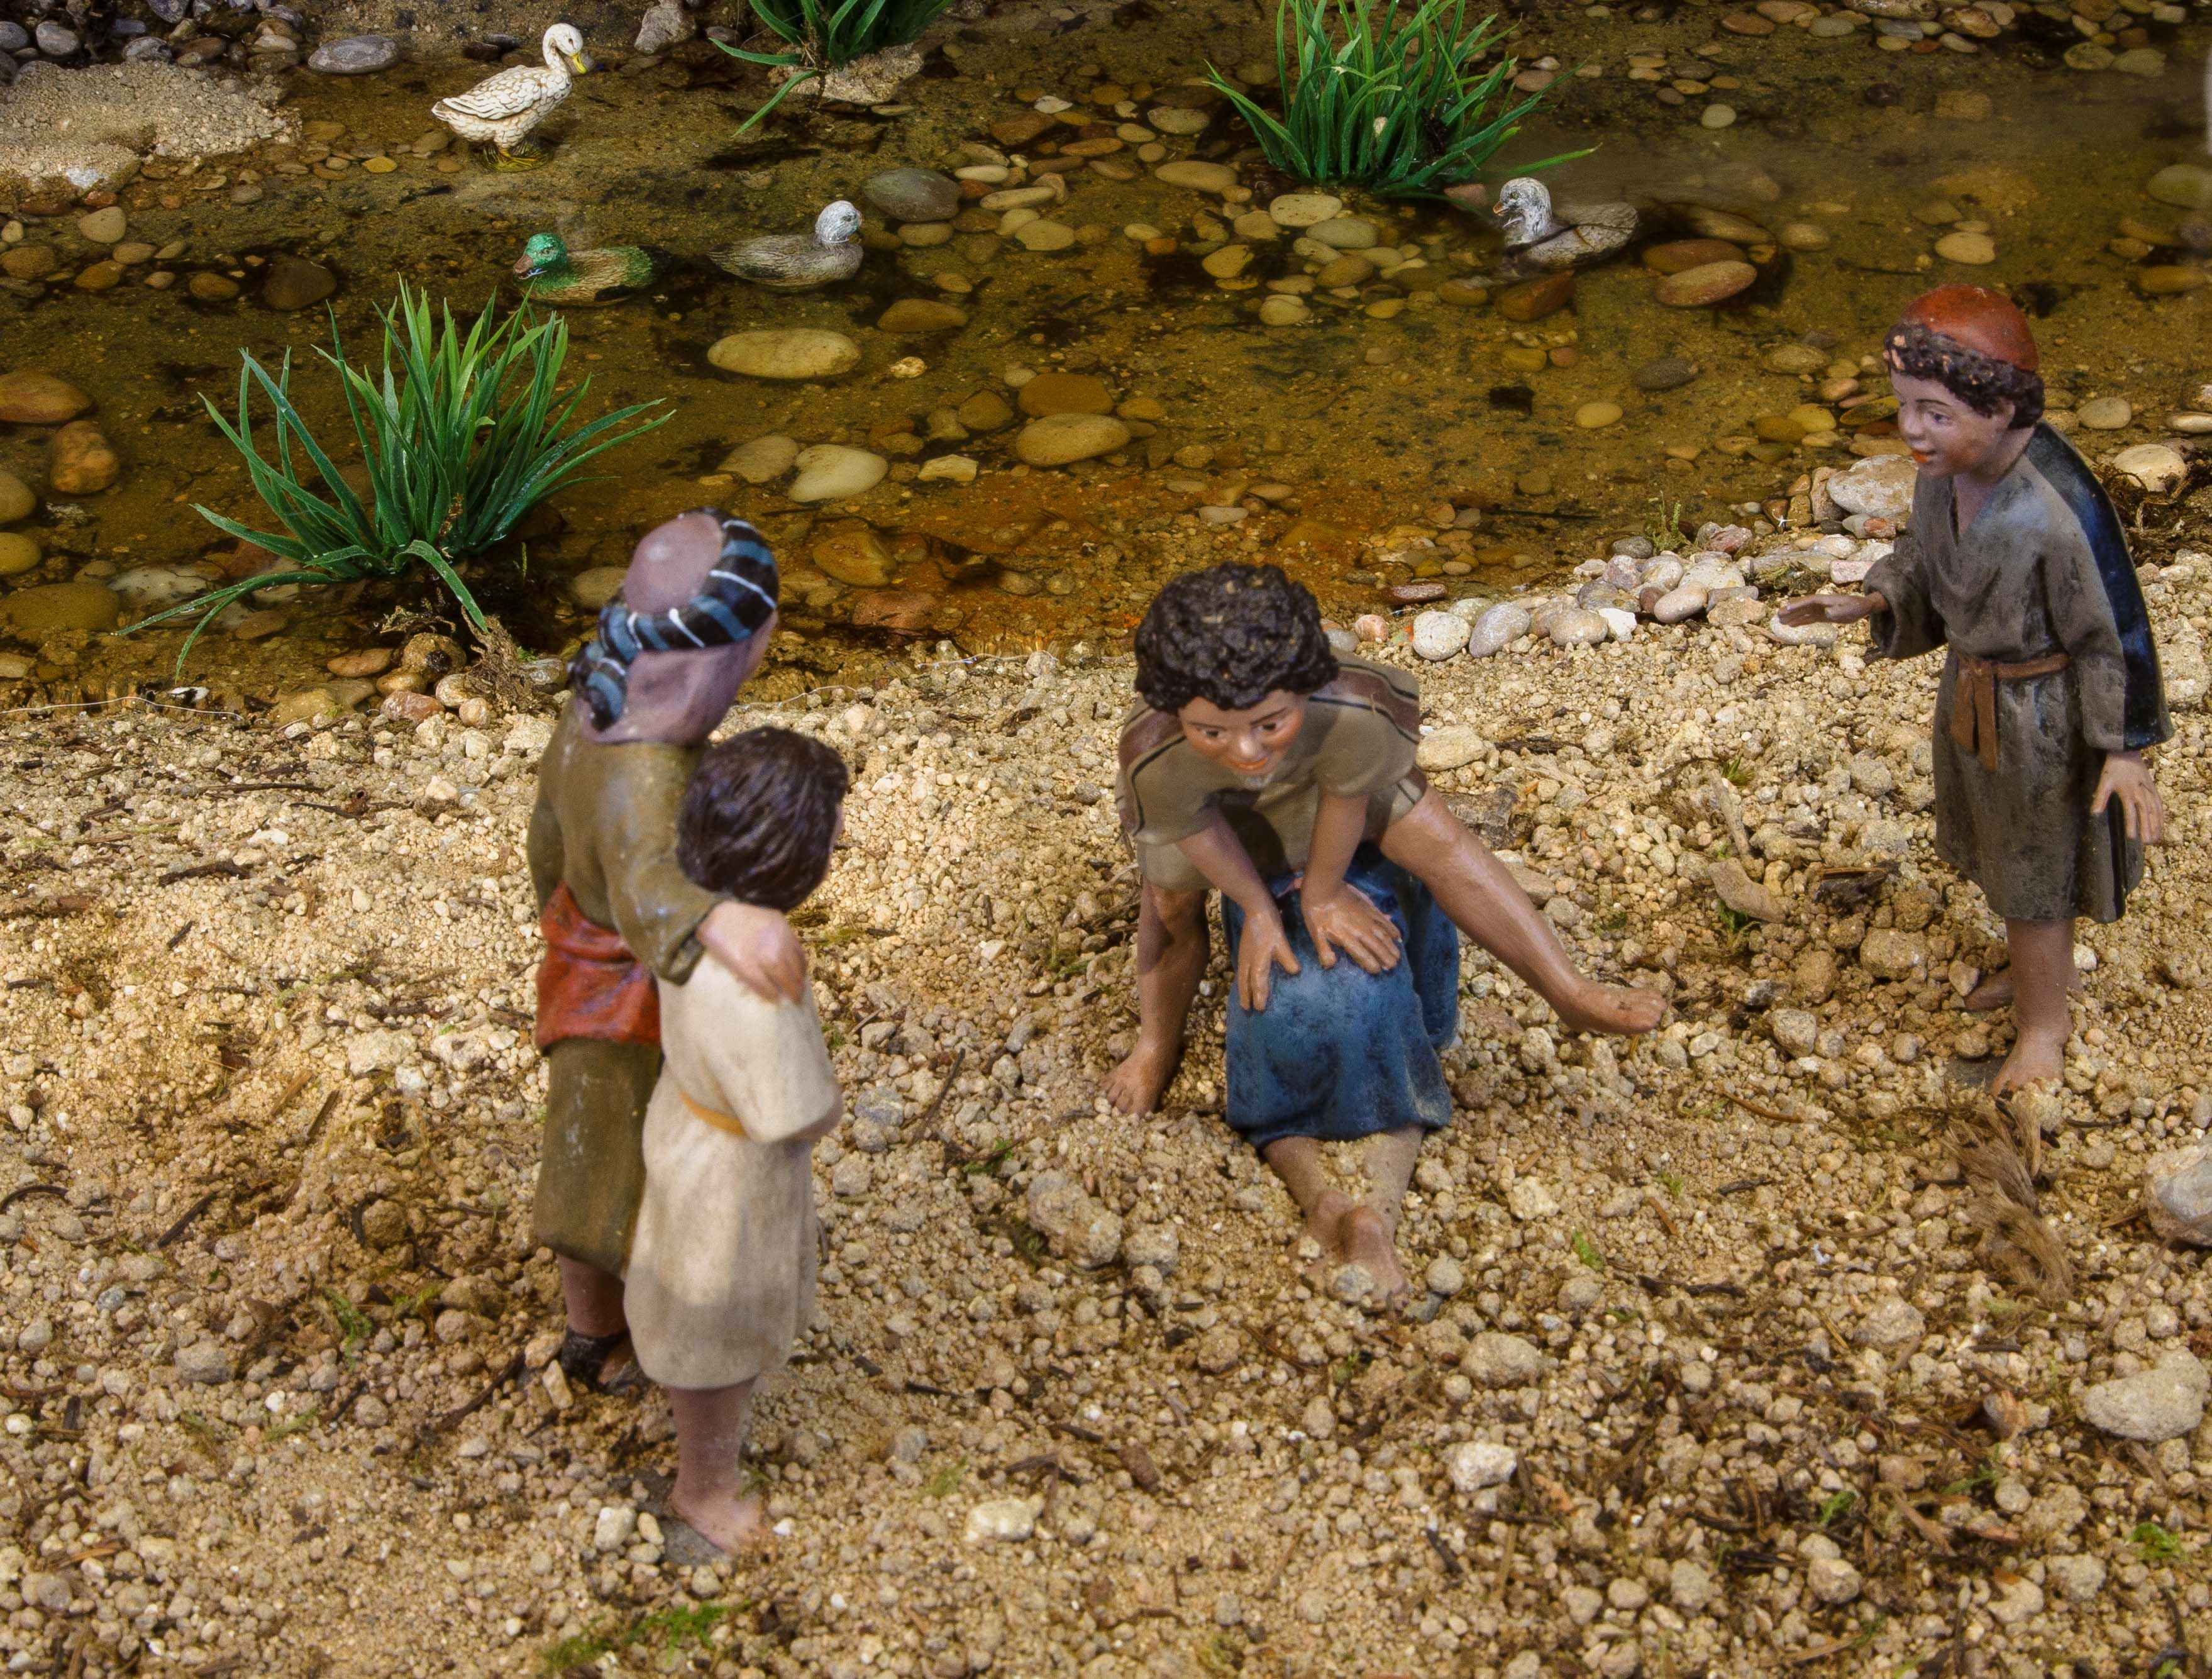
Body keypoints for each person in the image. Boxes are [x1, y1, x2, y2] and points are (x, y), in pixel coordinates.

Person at [1109, 563, 1662, 1300]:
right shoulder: (1156, 756)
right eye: (1214, 730)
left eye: (1268, 724)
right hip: (1216, 821)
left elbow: (1353, 795)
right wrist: (1260, 907)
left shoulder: (1352, 712)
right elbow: (1195, 832)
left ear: (1303, 690)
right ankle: (1156, 1043)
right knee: (1169, 908)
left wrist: (1322, 892)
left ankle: (1565, 988)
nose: (1246, 752)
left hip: (1340, 799)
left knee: (1435, 838)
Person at [1779, 284, 2169, 1094]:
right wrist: (1872, 601)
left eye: (1933, 412)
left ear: (1999, 409)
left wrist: (2125, 749)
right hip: (1973, 699)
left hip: (2042, 719)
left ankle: (2043, 1026)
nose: (1910, 430)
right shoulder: (1943, 473)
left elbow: (2113, 630)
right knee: (2003, 850)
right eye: (1903, 406)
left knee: (2036, 867)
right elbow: (1925, 562)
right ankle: (2038, 973)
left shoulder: (2056, 512)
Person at [527, 509, 806, 1393]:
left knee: (606, 1149)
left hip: (584, 938)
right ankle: (600, 1330)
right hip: (619, 983)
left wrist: (558, 905)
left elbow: (545, 833)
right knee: (603, 1160)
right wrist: (721, 922)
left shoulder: (592, 709)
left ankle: (609, 1314)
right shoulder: (645, 766)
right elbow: (649, 886)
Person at [624, 727, 849, 1558]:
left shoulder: (695, 927)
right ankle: (704, 1487)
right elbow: (794, 1109)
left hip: (685, 1127)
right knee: (716, 1331)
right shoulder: (760, 987)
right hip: (732, 1177)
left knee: (694, 1304)